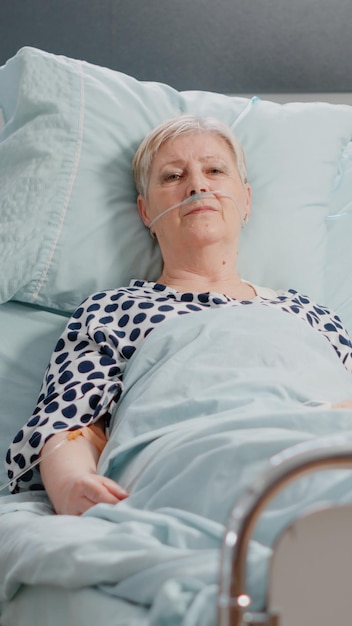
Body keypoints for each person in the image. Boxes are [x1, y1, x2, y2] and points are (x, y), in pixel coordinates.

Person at [6, 115, 352, 515]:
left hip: (326, 445)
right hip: (193, 457)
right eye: (172, 176)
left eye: (215, 170)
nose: (197, 185)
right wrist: (71, 485)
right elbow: (68, 421)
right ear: (145, 211)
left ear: (247, 200)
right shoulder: (113, 311)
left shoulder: (310, 314)